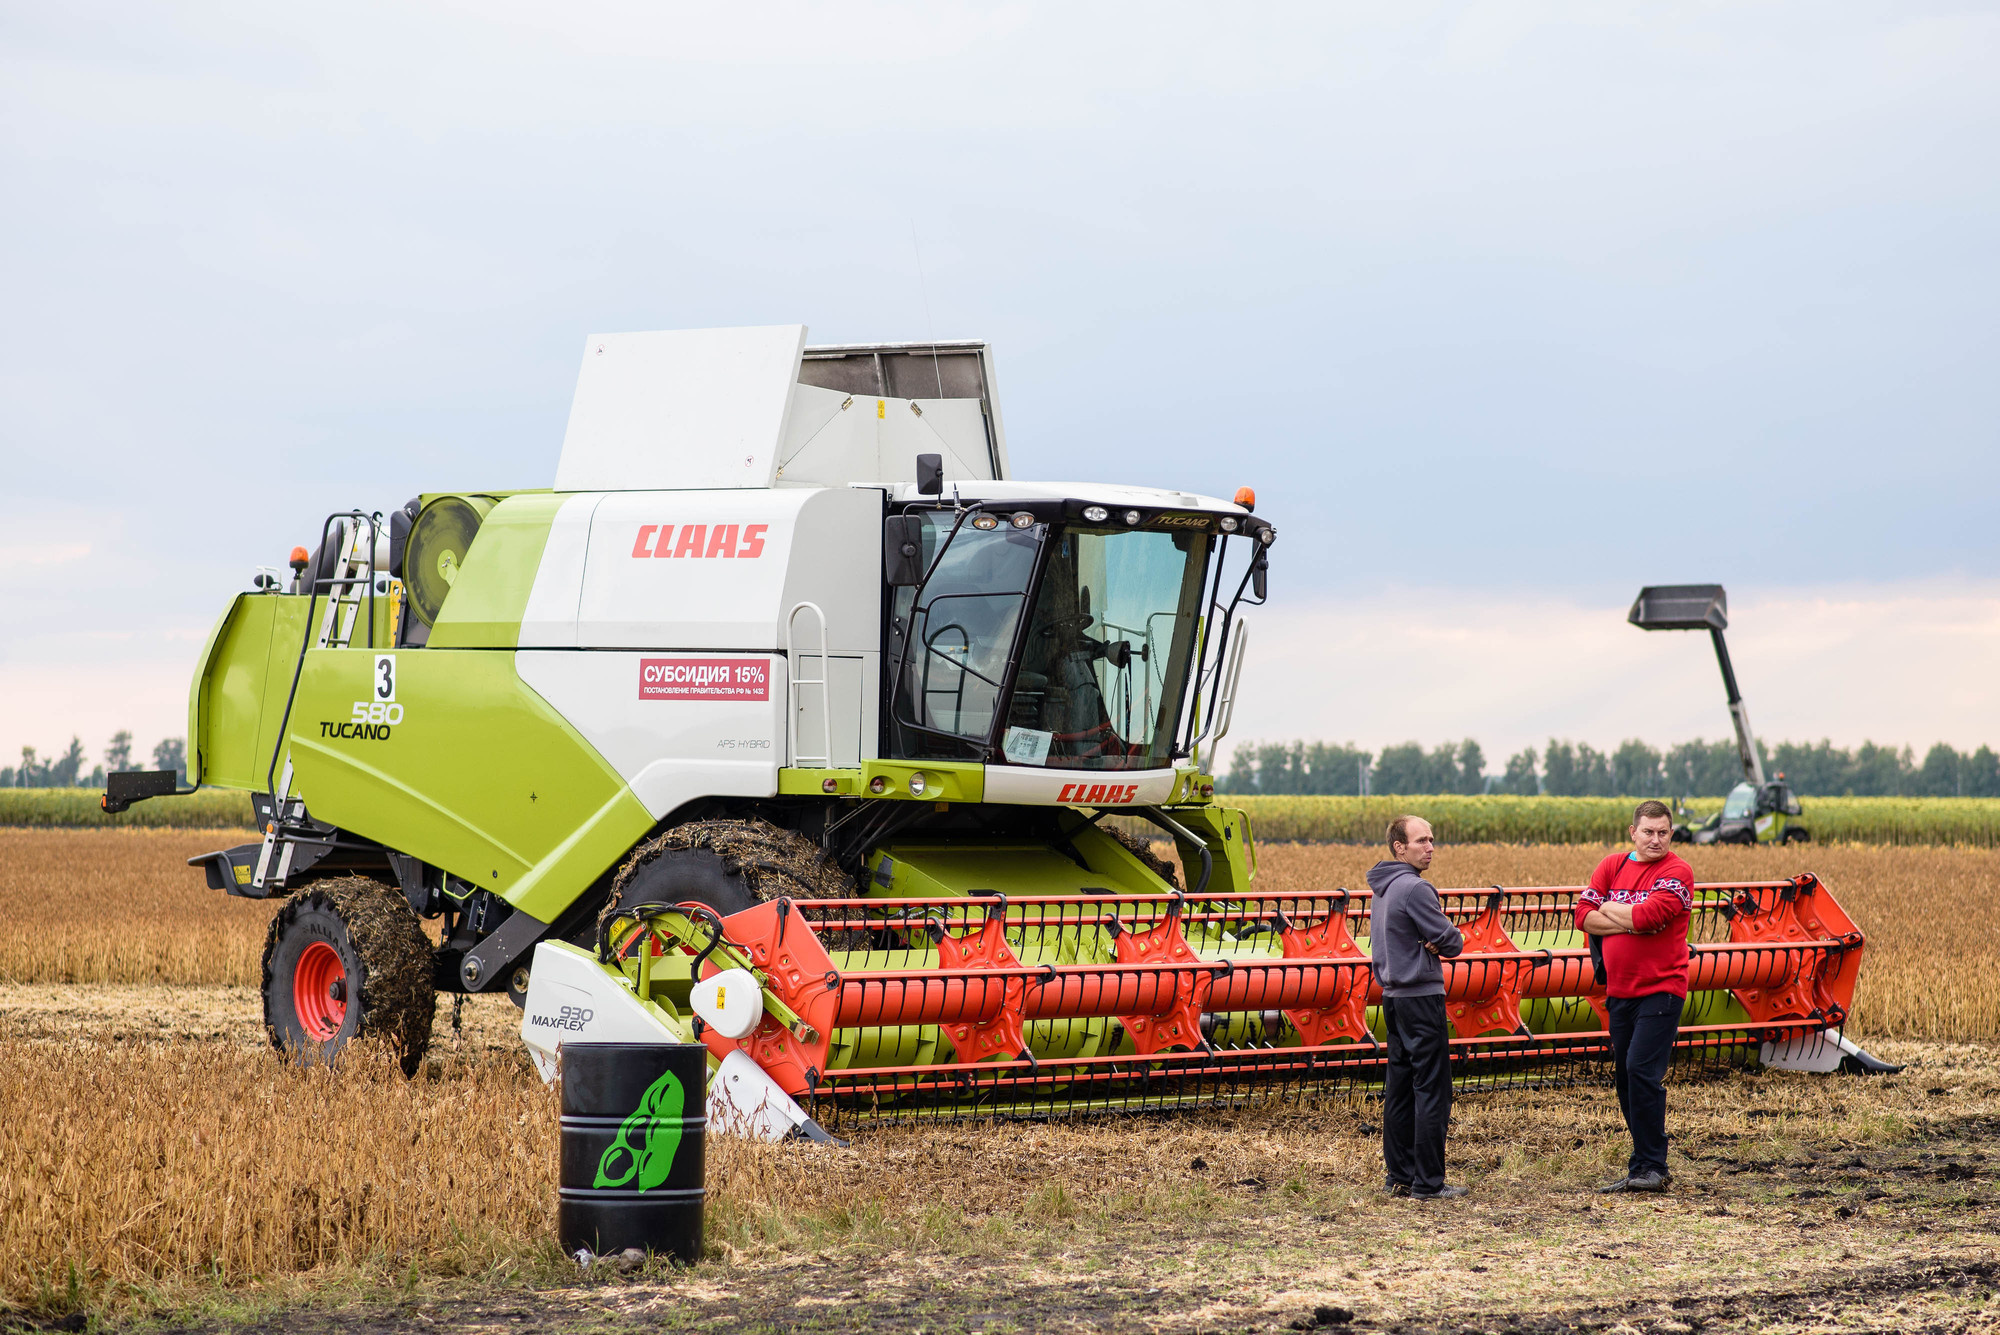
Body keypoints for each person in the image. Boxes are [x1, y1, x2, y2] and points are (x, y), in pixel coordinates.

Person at [1575, 799, 1695, 1193]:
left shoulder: (1677, 872)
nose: (1655, 839)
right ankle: (1642, 1162)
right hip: (1619, 989)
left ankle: (1652, 1166)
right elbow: (1582, 916)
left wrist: (1610, 907)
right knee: (1626, 1077)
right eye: (1648, 832)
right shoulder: (1612, 866)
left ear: (1671, 833)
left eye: (1663, 832)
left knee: (1642, 1072)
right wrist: (1626, 920)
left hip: (1662, 988)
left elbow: (1650, 918)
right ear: (1633, 832)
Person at [1367, 815, 1466, 1200]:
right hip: (1421, 999)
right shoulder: (1415, 889)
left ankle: (1400, 1176)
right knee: (1432, 1091)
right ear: (1399, 847)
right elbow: (1453, 942)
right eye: (1422, 840)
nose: (1430, 847)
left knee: (1401, 1090)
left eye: (1432, 839)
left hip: (1392, 998)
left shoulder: (1383, 888)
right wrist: (1440, 939)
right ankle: (1428, 1183)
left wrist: (1432, 938)